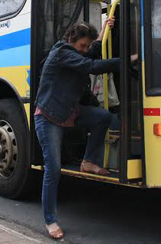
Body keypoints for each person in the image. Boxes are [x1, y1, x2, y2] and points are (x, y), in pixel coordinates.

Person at [34, 18, 125, 240]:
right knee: (53, 169)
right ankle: (50, 220)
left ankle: (88, 162)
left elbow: (92, 52)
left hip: (69, 112)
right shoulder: (62, 52)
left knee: (103, 117)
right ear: (70, 40)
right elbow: (90, 65)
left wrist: (103, 31)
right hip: (48, 118)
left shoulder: (76, 52)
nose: (85, 50)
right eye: (82, 45)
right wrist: (124, 60)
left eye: (87, 46)